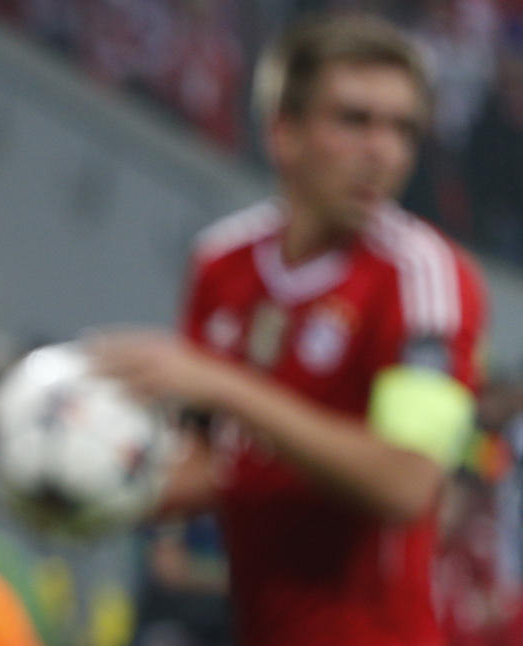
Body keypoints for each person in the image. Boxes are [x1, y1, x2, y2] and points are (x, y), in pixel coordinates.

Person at [91, 14, 487, 646]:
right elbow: (214, 463)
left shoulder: (425, 278)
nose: (382, 150)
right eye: (355, 120)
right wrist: (88, 480)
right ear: (284, 132)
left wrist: (228, 387)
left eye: (403, 128)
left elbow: (407, 481)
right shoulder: (222, 262)